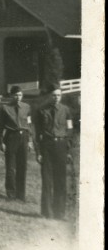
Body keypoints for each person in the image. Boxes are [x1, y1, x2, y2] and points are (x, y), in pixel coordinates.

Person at [34, 84, 74, 220]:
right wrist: (38, 152)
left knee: (61, 180)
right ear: (49, 96)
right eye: (54, 95)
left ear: (61, 96)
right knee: (47, 180)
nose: (56, 98)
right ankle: (47, 212)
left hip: (61, 146)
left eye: (58, 95)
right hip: (47, 146)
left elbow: (69, 130)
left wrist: (68, 151)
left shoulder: (66, 110)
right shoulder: (41, 111)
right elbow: (37, 133)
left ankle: (60, 212)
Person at [0, 85, 34, 201]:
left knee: (22, 166)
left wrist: (30, 141)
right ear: (11, 96)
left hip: (24, 137)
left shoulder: (27, 107)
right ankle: (11, 193)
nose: (18, 97)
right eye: (16, 95)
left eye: (20, 95)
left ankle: (21, 194)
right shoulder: (5, 108)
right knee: (11, 167)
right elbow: (0, 126)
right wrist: (1, 141)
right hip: (11, 137)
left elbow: (29, 125)